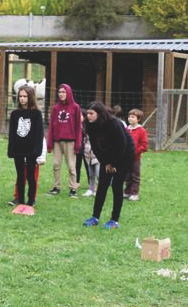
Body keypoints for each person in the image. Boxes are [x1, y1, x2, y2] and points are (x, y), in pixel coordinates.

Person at [84, 101, 135, 229]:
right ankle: (95, 217)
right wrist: (106, 163)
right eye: (87, 113)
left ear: (99, 114)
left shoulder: (114, 123)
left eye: (91, 113)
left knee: (117, 185)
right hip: (107, 155)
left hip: (124, 154)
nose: (88, 116)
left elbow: (121, 145)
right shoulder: (89, 125)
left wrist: (113, 164)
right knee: (102, 185)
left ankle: (114, 220)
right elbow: (95, 147)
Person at [7, 84, 45, 213]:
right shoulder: (15, 114)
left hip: (31, 151)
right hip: (18, 149)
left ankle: (30, 202)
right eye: (20, 96)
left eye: (25, 96)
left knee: (30, 176)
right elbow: (12, 133)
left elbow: (39, 134)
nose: (22, 99)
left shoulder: (36, 114)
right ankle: (21, 201)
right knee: (20, 176)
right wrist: (11, 150)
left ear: (30, 97)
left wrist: (36, 151)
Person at [47, 83, 81, 198]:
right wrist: (49, 143)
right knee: (56, 164)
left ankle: (73, 188)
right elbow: (51, 125)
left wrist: (77, 144)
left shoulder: (75, 107)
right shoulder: (55, 108)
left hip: (70, 141)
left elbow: (78, 127)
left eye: (63, 92)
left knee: (71, 166)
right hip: (57, 141)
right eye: (59, 92)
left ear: (68, 93)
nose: (61, 94)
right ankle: (56, 187)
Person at [125, 108, 148, 201]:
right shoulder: (126, 129)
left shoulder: (141, 130)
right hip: (126, 158)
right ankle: (127, 191)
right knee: (127, 175)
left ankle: (134, 193)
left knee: (135, 176)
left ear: (138, 119)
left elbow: (144, 145)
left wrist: (134, 151)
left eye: (133, 117)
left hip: (135, 158)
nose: (130, 118)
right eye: (129, 117)